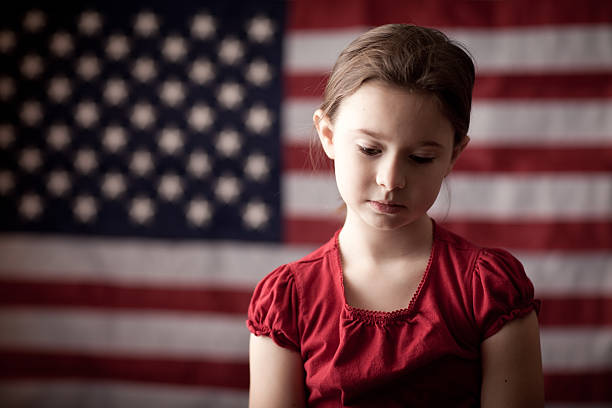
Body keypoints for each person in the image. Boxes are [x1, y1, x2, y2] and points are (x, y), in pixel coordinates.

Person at [247, 24, 544, 407]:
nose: (391, 180)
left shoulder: (487, 290)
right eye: (370, 149)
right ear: (329, 135)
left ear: (454, 154)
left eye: (421, 157)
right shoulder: (287, 301)